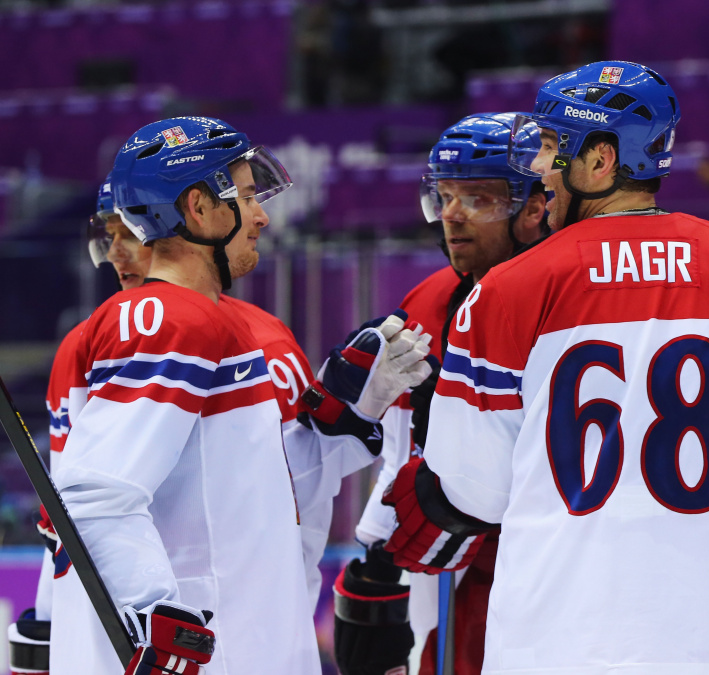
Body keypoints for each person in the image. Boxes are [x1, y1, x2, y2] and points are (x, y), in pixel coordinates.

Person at [382, 60, 709, 674]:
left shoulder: (507, 286)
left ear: (601, 160)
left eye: (552, 147)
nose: (537, 167)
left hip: (558, 644)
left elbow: (474, 485)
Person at [49, 116, 430, 675]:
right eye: (248, 197)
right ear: (199, 208)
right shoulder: (172, 319)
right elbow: (95, 495)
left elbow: (257, 490)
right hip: (215, 640)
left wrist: (356, 409)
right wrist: (155, 617)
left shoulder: (212, 322)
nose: (262, 215)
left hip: (245, 630)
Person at [335, 111, 547, 675]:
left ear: (534, 208)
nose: (451, 216)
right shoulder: (428, 302)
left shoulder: (574, 293)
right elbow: (404, 450)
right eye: (444, 195)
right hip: (460, 558)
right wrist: (378, 562)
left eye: (476, 198)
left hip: (568, 554)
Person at [6, 177, 154, 675]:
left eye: (128, 233)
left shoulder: (258, 333)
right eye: (107, 236)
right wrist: (49, 620)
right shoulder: (89, 340)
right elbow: (71, 500)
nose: (115, 254)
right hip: (138, 610)